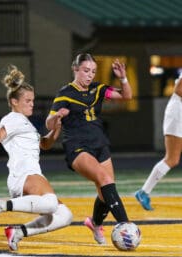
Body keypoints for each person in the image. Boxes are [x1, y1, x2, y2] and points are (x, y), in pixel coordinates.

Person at [46, 53, 132, 245]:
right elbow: (49, 123)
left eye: (93, 71)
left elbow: (127, 96)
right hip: (77, 147)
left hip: (100, 144)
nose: (90, 75)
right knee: (105, 180)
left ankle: (95, 223)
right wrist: (56, 116)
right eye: (86, 71)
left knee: (105, 192)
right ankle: (126, 225)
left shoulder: (98, 88)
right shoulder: (65, 93)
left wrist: (123, 78)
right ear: (75, 69)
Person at [0, 65, 72, 251]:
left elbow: (45, 144)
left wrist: (56, 126)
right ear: (14, 102)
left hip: (29, 175)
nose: (32, 103)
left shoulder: (27, 125)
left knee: (65, 216)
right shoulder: (14, 118)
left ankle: (17, 232)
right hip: (24, 175)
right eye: (28, 100)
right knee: (50, 203)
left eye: (33, 100)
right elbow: (1, 131)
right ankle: (1, 205)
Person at [135, 73, 182, 210]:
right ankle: (143, 192)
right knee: (172, 159)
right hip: (178, 112)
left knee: (172, 159)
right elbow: (179, 90)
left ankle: (143, 192)